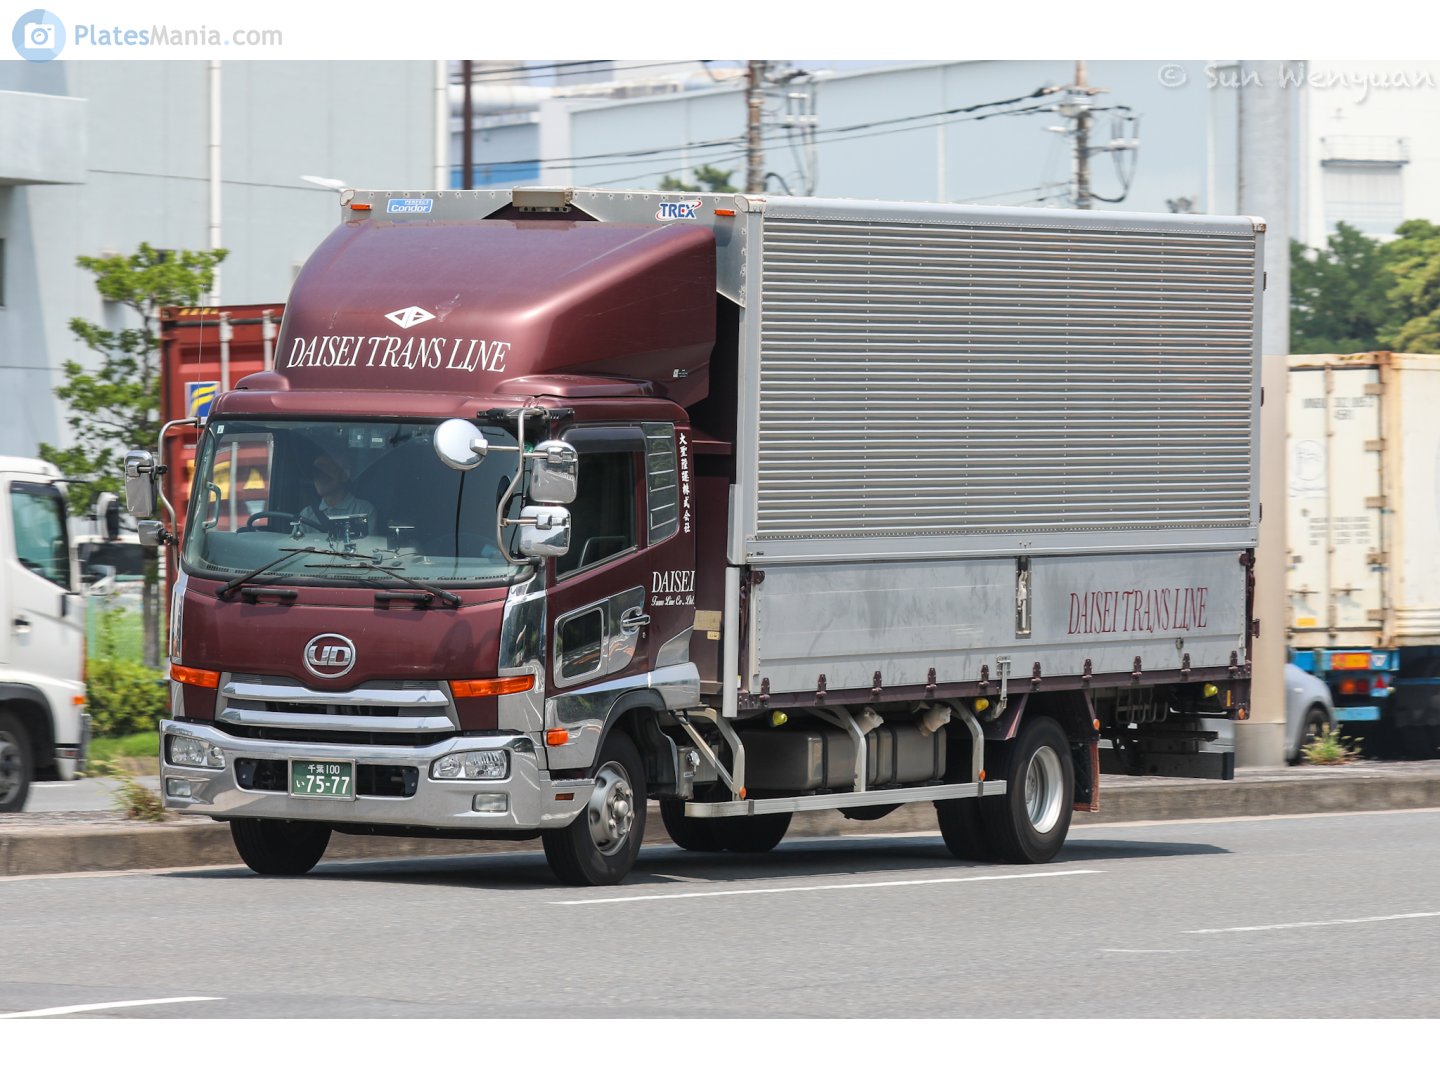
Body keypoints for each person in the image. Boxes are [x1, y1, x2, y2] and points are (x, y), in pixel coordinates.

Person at [300, 454, 374, 539]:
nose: (320, 477)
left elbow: (369, 548)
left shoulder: (363, 510)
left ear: (345, 475)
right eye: (316, 472)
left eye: (327, 470)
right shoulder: (306, 515)